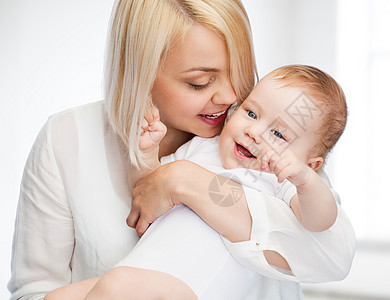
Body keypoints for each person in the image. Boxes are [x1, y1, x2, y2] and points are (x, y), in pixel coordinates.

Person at [8, 0, 355, 299]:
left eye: (238, 73)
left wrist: (189, 183)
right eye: (199, 82)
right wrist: (152, 162)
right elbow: (147, 191)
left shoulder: (280, 154)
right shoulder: (67, 138)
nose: (231, 97)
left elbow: (331, 253)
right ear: (139, 72)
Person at [45, 64, 347, 299]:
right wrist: (146, 154)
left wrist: (306, 181)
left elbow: (319, 222)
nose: (255, 132)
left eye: (278, 134)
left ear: (311, 164)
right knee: (57, 297)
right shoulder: (203, 148)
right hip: (145, 265)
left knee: (117, 286)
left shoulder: (280, 181)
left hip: (187, 283)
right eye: (251, 113)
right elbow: (149, 191)